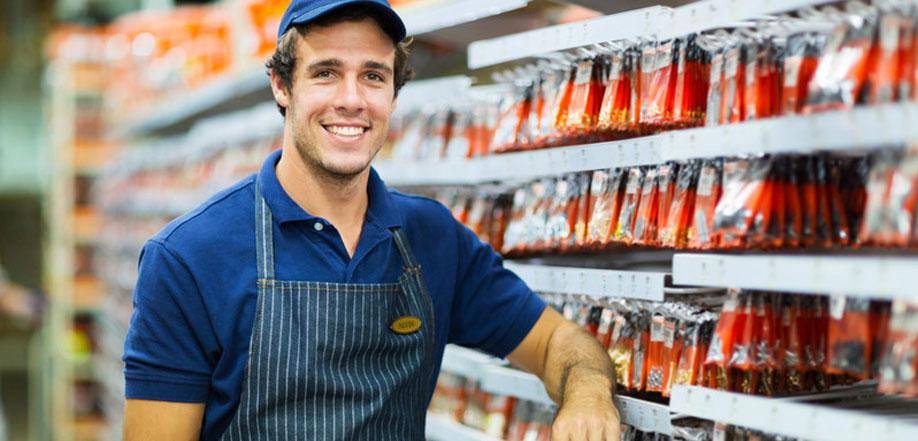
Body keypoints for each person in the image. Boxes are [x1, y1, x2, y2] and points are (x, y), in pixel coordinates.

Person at [122, 0, 621, 439]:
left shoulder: (431, 239)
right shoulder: (189, 257)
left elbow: (559, 341)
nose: (352, 99)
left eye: (373, 75)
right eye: (325, 72)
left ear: (393, 95)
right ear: (281, 85)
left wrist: (589, 394)